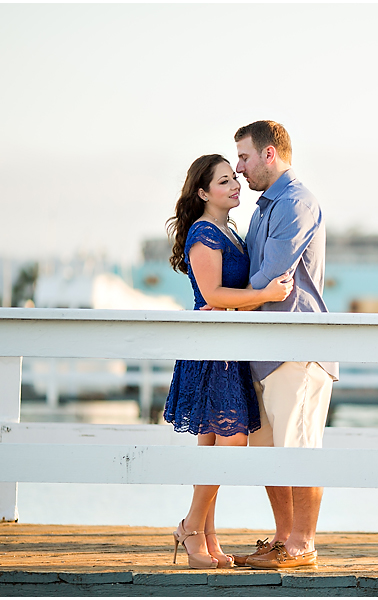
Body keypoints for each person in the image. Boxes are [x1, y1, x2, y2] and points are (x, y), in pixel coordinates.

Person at [163, 154, 294, 569]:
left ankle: (207, 541)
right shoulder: (204, 232)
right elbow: (214, 295)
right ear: (203, 193)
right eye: (224, 181)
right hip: (212, 351)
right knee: (231, 440)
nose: (236, 183)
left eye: (234, 178)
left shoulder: (229, 231)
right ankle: (190, 525)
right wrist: (266, 296)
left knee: (210, 443)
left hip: (227, 347)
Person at [229, 120, 339, 570]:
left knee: (299, 449)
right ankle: (282, 540)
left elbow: (272, 268)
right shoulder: (263, 208)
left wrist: (229, 303)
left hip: (297, 345)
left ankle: (302, 544)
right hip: (266, 347)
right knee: (272, 450)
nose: (239, 168)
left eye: (244, 156)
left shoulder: (296, 201)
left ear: (269, 154)